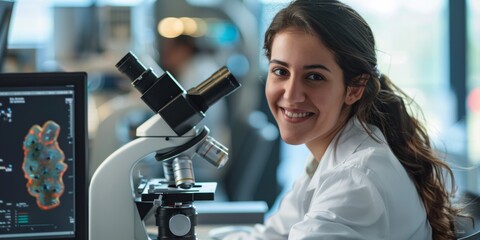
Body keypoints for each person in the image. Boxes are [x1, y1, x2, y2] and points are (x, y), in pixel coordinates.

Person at [218, 0, 462, 239]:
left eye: (314, 76)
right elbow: (273, 234)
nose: (291, 94)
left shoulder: (356, 179)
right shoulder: (331, 158)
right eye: (280, 71)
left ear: (355, 88)